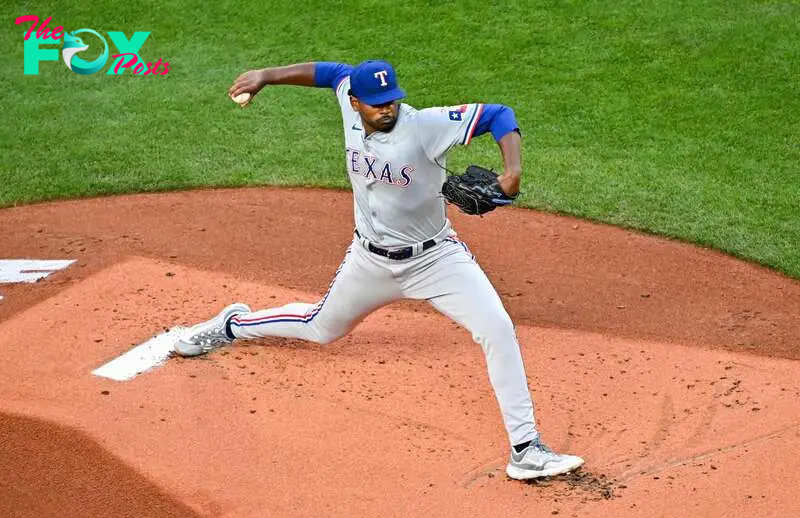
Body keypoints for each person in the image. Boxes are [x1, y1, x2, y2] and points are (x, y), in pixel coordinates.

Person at [174, 59, 584, 480]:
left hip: (435, 259)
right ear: (355, 103)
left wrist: (512, 171)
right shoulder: (347, 97)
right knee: (321, 328)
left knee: (496, 326)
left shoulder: (423, 125)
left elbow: (499, 115)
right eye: (375, 104)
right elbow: (329, 73)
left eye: (391, 100)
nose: (386, 109)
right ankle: (232, 325)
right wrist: (266, 77)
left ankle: (525, 449)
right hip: (368, 259)